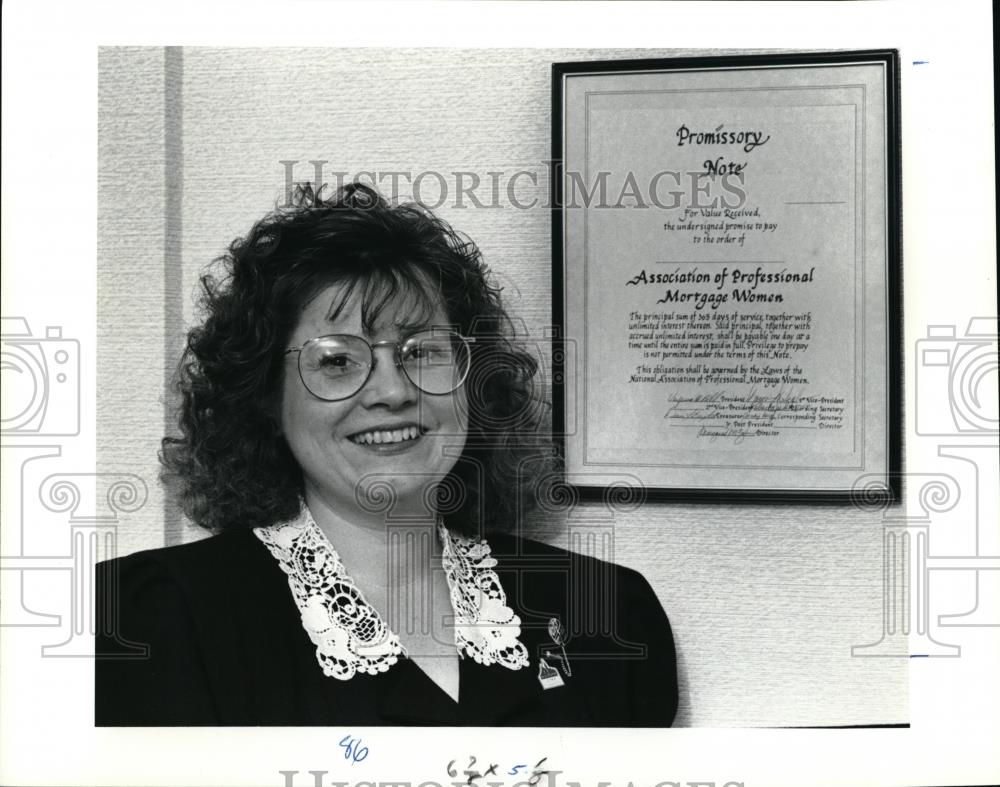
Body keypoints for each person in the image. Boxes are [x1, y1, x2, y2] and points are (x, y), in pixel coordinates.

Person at [95, 182, 678, 726]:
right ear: (266, 398)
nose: (394, 391)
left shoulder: (606, 613)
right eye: (336, 360)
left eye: (422, 350)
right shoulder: (153, 618)